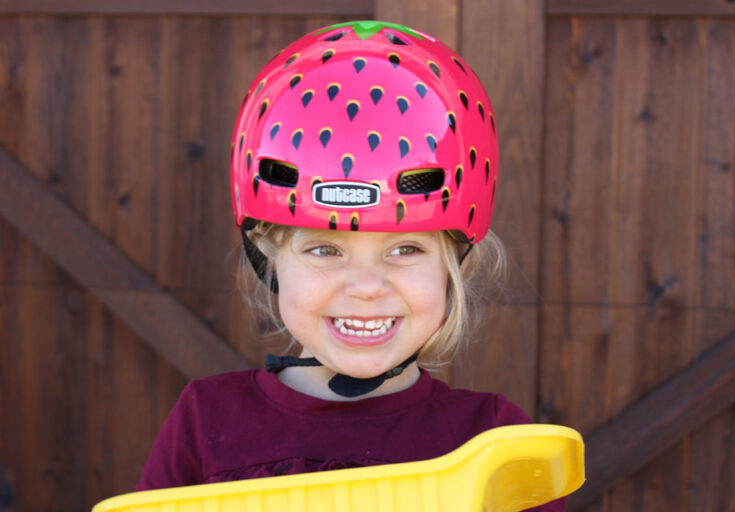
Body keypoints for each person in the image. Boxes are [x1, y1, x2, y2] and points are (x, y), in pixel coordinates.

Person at [135, 20, 566, 511]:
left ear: (455, 268)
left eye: (405, 250)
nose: (365, 287)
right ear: (268, 259)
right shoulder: (205, 421)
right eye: (325, 250)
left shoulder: (493, 442)